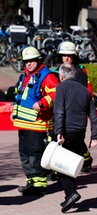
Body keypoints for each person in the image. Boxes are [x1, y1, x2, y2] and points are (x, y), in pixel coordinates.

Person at [8, 46, 59, 196]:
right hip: (23, 123)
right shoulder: (26, 75)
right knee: (24, 153)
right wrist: (15, 112)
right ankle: (31, 181)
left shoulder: (46, 75)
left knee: (35, 154)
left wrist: (42, 103)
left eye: (31, 61)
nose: (28, 64)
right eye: (26, 62)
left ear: (38, 60)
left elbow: (56, 93)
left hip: (37, 124)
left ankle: (39, 185)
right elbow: (22, 97)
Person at [53, 63, 97, 213]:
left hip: (66, 131)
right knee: (70, 165)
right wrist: (94, 136)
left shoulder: (61, 88)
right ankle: (69, 196)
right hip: (80, 132)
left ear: (61, 76)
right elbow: (94, 116)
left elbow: (59, 111)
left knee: (60, 165)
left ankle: (72, 193)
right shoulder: (85, 91)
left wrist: (58, 131)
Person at [51, 40, 97, 173]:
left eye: (69, 56)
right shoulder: (57, 71)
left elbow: (84, 90)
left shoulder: (80, 71)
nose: (67, 58)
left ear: (74, 56)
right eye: (64, 55)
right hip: (61, 107)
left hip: (76, 108)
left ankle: (83, 161)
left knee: (74, 139)